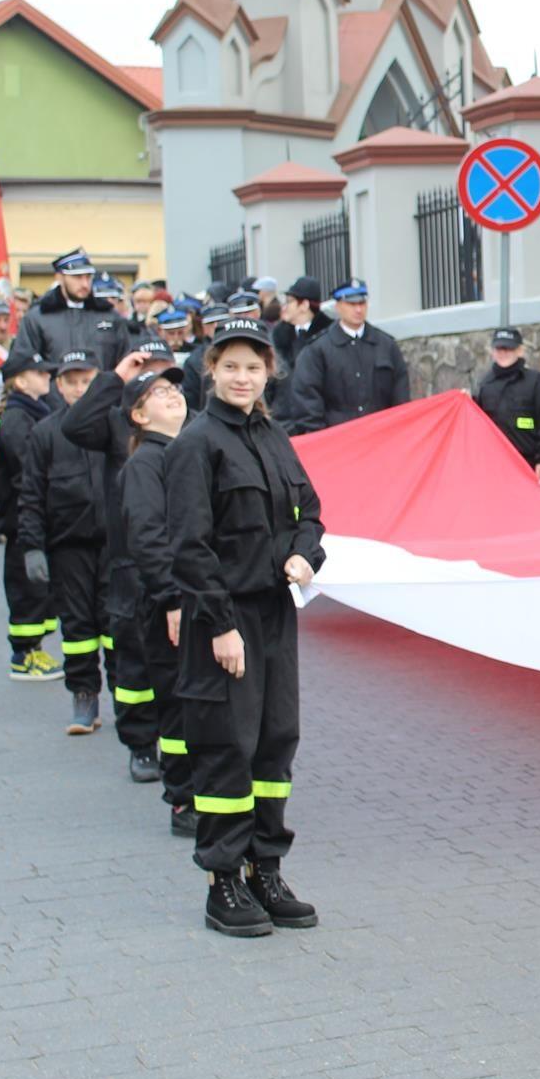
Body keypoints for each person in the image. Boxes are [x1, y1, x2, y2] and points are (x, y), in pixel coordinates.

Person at [165, 317, 326, 936]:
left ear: (268, 373)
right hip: (223, 619)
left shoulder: (274, 436)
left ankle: (265, 868)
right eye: (230, 366)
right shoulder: (195, 444)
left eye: (253, 367)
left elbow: (309, 512)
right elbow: (190, 545)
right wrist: (220, 626)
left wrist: (303, 555)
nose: (242, 377)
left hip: (274, 612)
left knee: (275, 741)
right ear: (211, 370)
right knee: (227, 747)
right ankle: (223, 881)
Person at [63, 342, 186, 781]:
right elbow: (74, 425)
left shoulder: (187, 427)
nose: (164, 385)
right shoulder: (119, 423)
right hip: (131, 566)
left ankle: (177, 749)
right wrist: (113, 378)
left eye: (167, 374)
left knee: (175, 664)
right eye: (150, 375)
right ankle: (140, 744)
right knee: (132, 663)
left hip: (177, 565)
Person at [119, 362, 197, 836]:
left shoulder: (182, 451)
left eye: (174, 389)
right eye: (158, 393)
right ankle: (183, 799)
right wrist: (172, 599)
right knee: (179, 702)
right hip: (169, 603)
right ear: (139, 416)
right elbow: (148, 538)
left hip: (192, 596)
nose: (172, 396)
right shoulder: (146, 463)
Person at [18, 350, 113, 736]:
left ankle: (129, 699)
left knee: (118, 628)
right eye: (71, 381)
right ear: (59, 386)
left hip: (114, 548)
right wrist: (32, 547)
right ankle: (84, 696)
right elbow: (30, 496)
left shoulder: (116, 427)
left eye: (86, 381)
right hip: (68, 547)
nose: (78, 388)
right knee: (77, 629)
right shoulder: (45, 433)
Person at [0, 348, 61, 680]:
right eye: (39, 373)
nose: (47, 377)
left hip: (34, 513)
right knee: (25, 584)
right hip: (21, 515)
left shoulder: (36, 410)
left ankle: (36, 648)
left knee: (39, 587)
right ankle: (24, 653)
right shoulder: (18, 417)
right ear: (19, 380)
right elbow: (27, 467)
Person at [285, 281, 410, 434]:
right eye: (351, 304)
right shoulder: (318, 349)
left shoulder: (386, 345)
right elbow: (307, 402)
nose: (358, 309)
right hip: (338, 440)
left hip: (381, 435)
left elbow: (401, 396)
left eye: (362, 303)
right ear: (338, 306)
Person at [13, 249, 130, 370]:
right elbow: (25, 363)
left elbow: (125, 361)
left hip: (102, 388)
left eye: (88, 277)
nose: (85, 284)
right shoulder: (37, 318)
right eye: (77, 277)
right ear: (59, 277)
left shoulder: (110, 316)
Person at [475, 328, 540, 478]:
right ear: (492, 351)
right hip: (494, 466)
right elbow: (476, 421)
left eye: (509, 348)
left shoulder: (536, 381)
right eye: (499, 348)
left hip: (527, 464)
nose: (503, 353)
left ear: (520, 350)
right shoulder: (485, 385)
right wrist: (465, 401)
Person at [270, 276, 329, 368]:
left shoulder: (328, 332)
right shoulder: (278, 334)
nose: (284, 307)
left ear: (304, 305)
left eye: (289, 302)